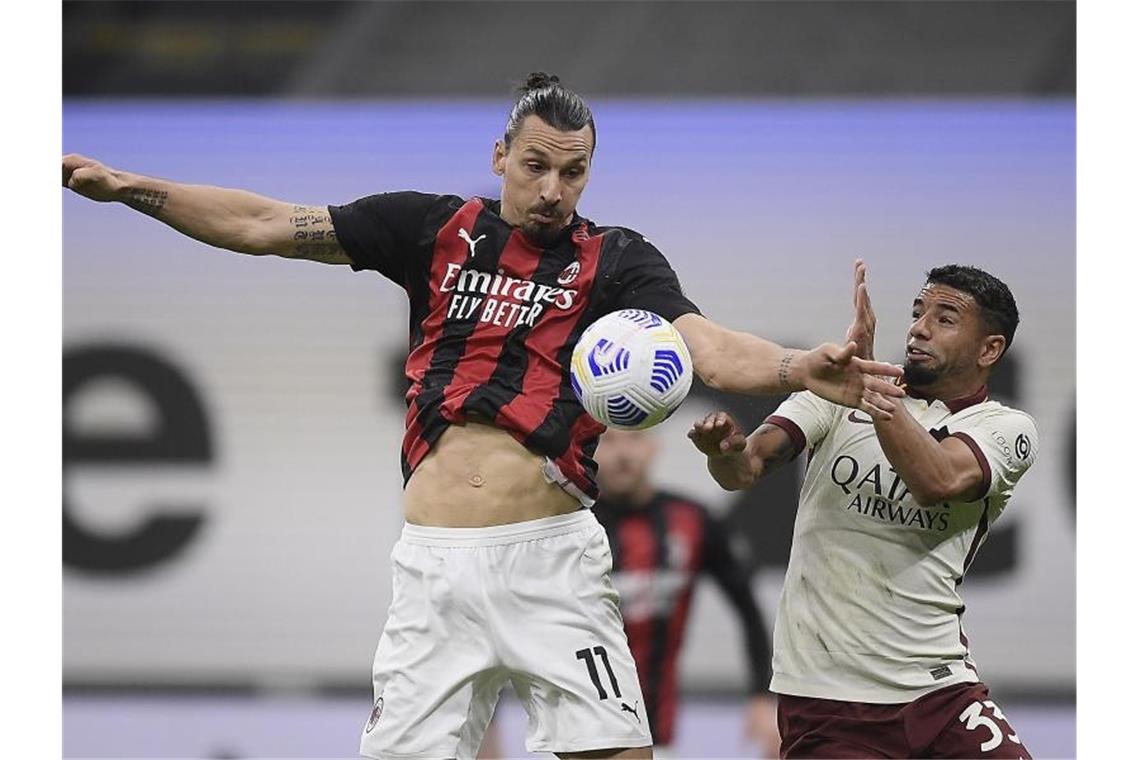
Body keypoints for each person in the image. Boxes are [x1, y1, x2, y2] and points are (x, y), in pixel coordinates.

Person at [62, 73, 903, 760]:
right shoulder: (430, 228)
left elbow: (706, 349)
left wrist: (798, 366)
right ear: (500, 155)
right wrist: (136, 189)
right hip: (432, 572)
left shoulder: (616, 260)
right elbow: (266, 223)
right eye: (535, 165)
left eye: (573, 173)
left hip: (553, 562)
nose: (552, 189)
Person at [689, 262, 1038, 759]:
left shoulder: (1005, 427)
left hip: (940, 690)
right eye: (918, 312)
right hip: (829, 698)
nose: (919, 327)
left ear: (989, 349)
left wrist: (871, 394)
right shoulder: (835, 394)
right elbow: (746, 469)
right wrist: (722, 452)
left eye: (944, 318)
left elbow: (937, 480)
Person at [592, 428, 782, 757]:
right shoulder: (570, 526)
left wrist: (762, 697)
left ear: (653, 445)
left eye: (633, 438)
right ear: (589, 449)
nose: (622, 453)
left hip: (657, 733)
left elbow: (748, 609)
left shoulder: (691, 520)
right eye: (608, 441)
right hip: (573, 733)